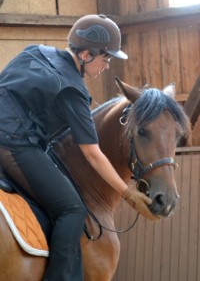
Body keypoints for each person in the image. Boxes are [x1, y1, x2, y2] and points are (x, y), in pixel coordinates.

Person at [0, 14, 157, 281]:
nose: (107, 65)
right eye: (105, 58)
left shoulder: (34, 52)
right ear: (85, 55)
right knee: (72, 209)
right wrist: (128, 193)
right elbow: (92, 154)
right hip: (15, 146)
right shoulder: (73, 89)